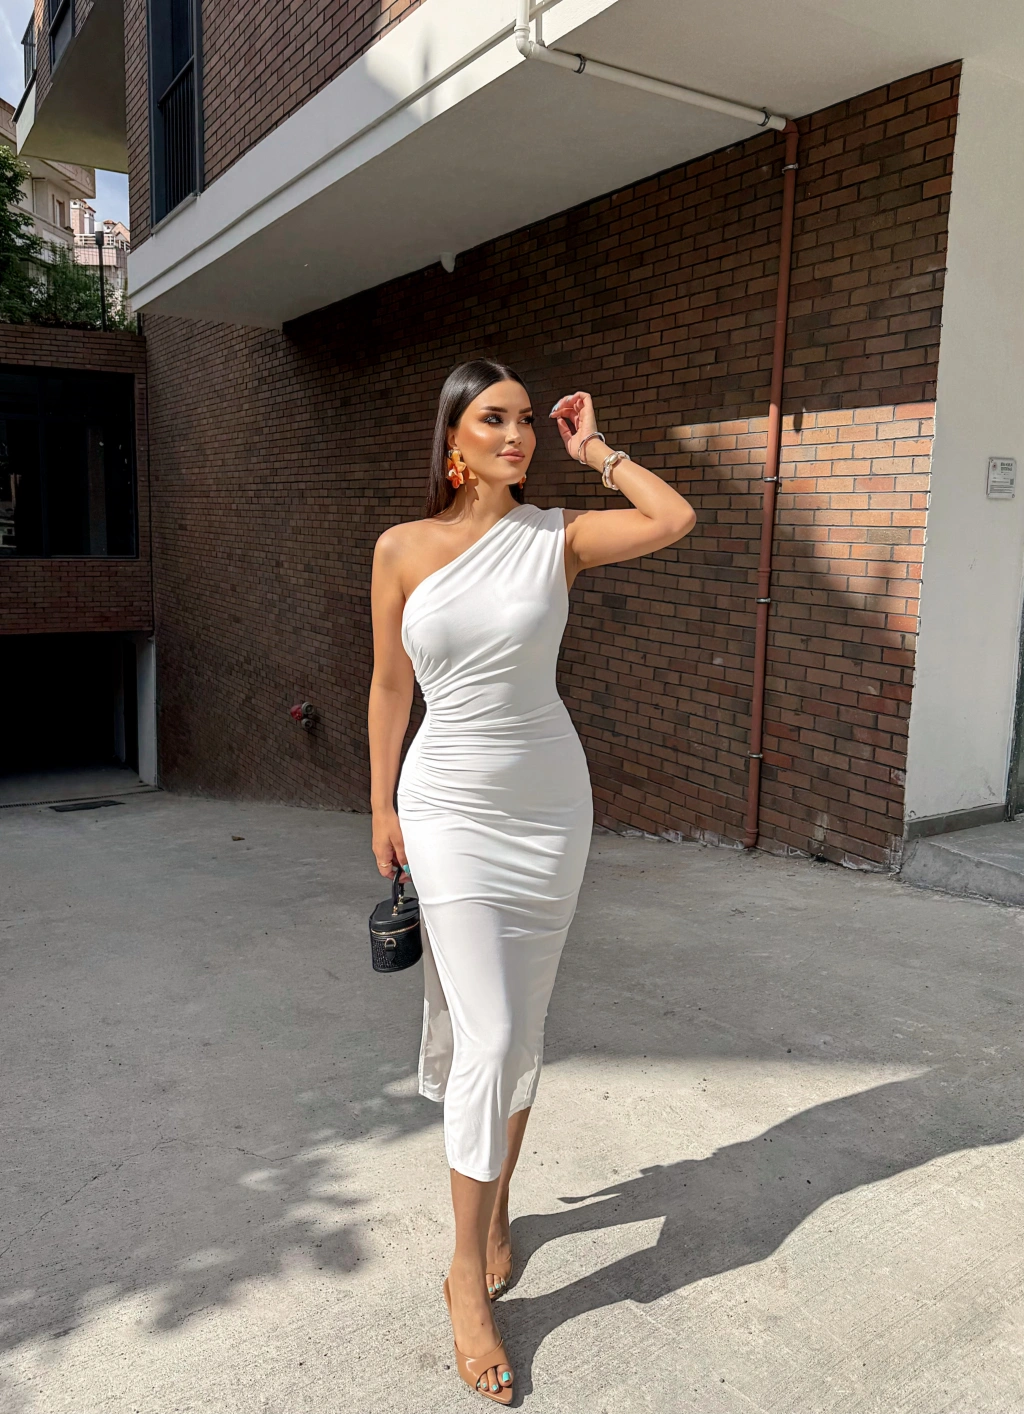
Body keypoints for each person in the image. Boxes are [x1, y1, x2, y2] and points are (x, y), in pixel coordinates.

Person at [368, 359, 695, 1402]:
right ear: (453, 442)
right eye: (493, 419)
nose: (514, 435)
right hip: (445, 807)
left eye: (523, 420)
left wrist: (595, 451)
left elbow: (673, 516)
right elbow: (388, 684)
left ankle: (497, 1204)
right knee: (492, 1032)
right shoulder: (400, 548)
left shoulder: (557, 537)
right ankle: (465, 1275)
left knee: (521, 1028)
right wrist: (379, 805)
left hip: (548, 807)